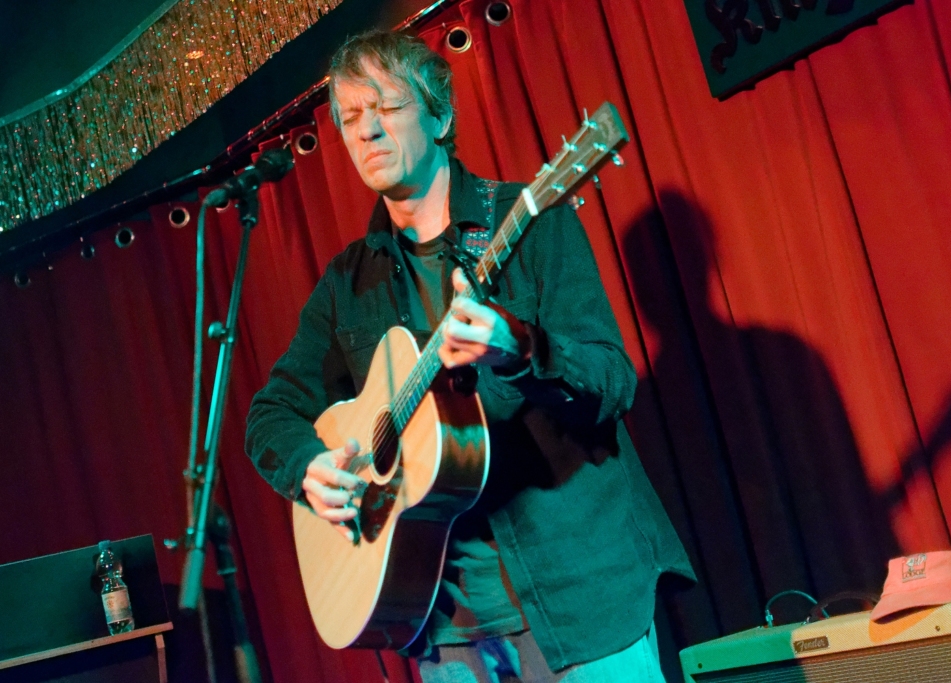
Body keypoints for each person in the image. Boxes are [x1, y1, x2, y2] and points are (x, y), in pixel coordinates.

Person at [245, 29, 694, 683]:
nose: (365, 132)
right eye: (349, 118)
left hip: (577, 598)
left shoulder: (530, 220)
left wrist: (517, 347)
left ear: (441, 115)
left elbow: (611, 381)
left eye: (387, 108)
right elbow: (270, 414)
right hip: (440, 622)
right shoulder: (349, 284)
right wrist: (309, 466)